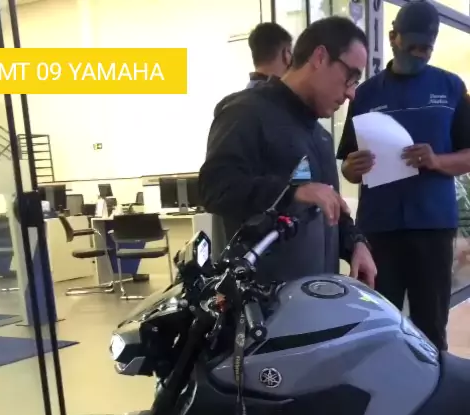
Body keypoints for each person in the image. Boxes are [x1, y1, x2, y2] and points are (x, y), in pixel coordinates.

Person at [200, 17, 376, 287]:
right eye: (350, 77)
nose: (352, 94)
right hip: (259, 303)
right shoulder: (246, 112)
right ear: (319, 57)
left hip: (317, 297)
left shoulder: (321, 137)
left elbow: (331, 207)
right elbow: (214, 187)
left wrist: (356, 244)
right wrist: (292, 192)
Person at [337, 0, 470, 351]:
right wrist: (352, 168)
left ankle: (434, 383)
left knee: (431, 326)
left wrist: (436, 161)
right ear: (393, 37)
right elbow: (347, 165)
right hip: (379, 229)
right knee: (379, 325)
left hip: (432, 227)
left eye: (427, 48)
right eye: (413, 47)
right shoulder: (366, 94)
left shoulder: (451, 87)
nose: (421, 54)